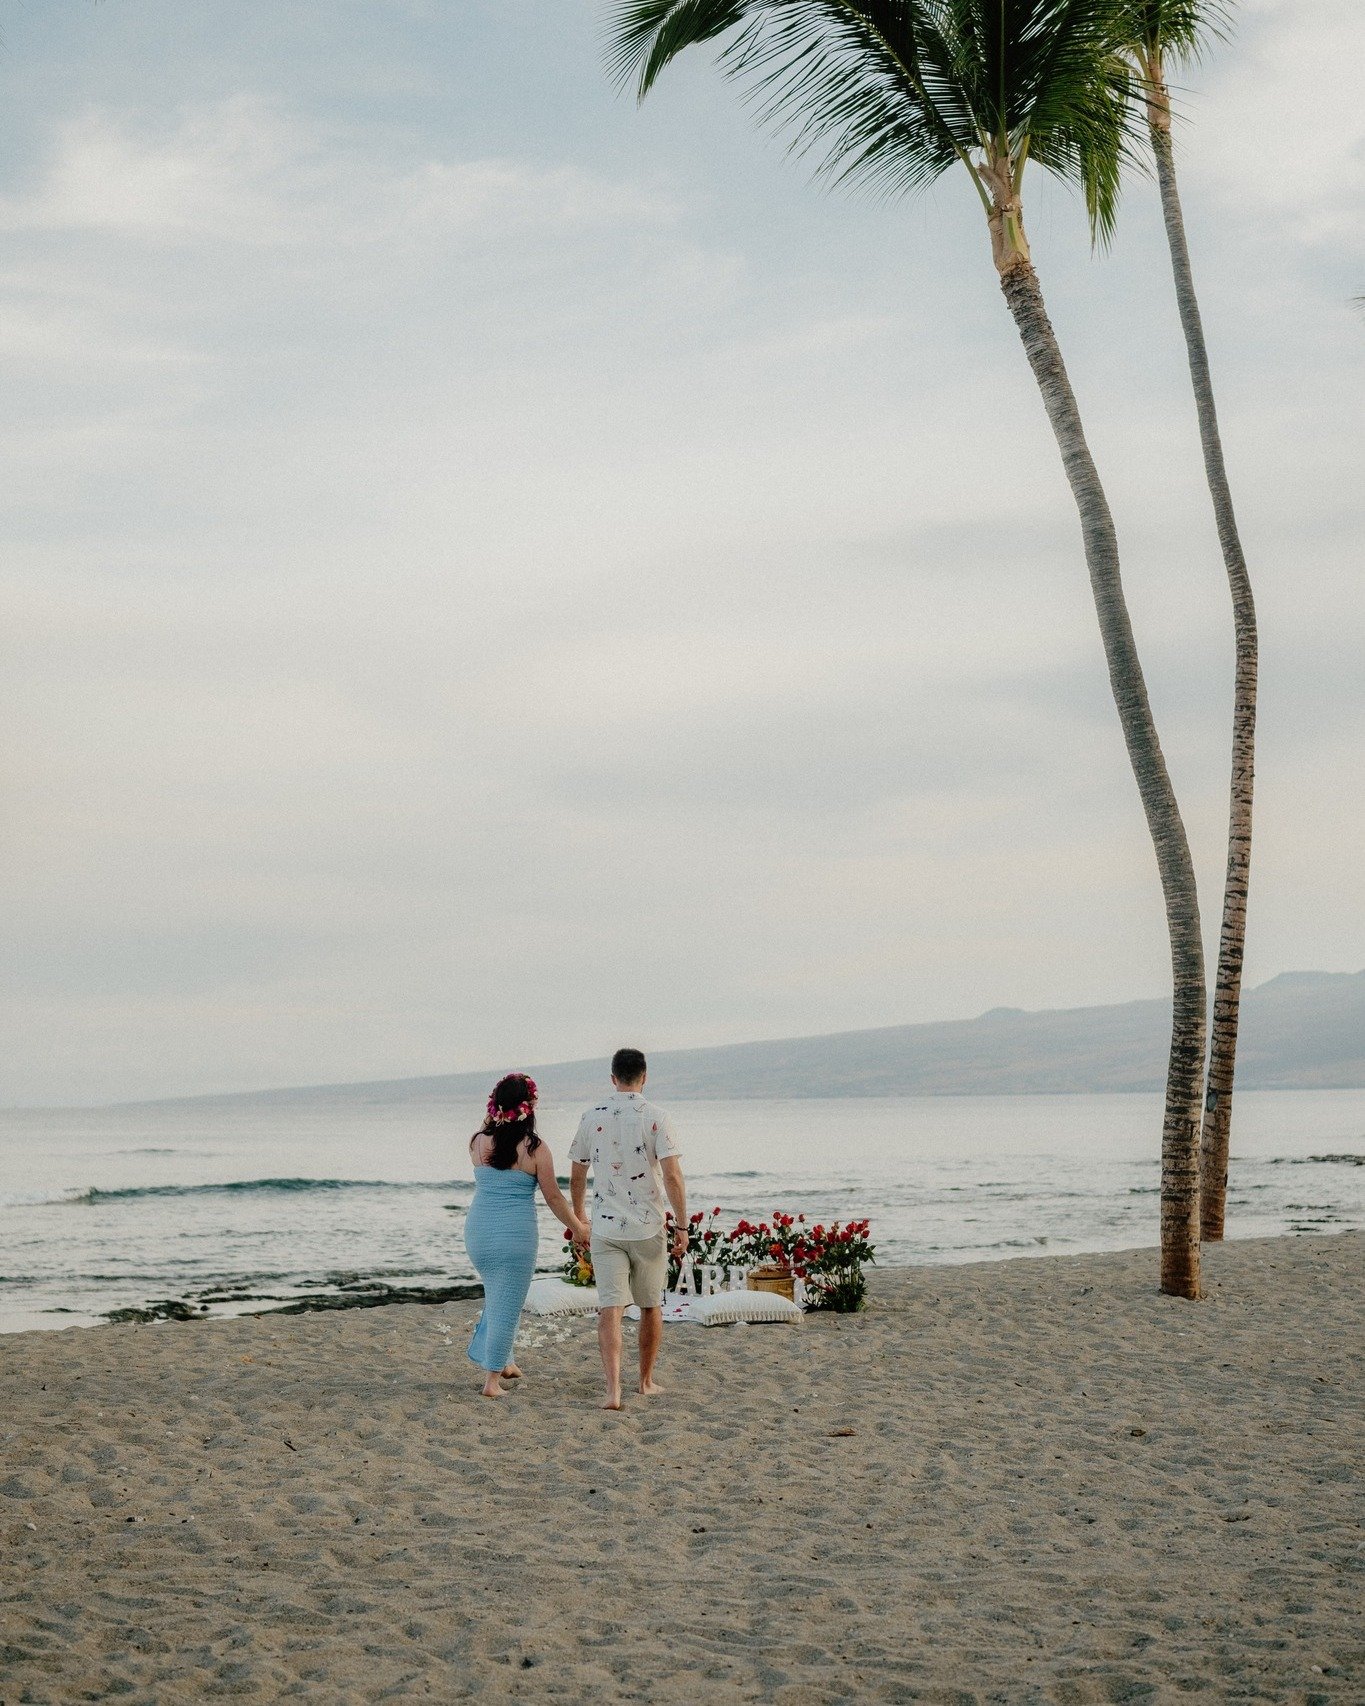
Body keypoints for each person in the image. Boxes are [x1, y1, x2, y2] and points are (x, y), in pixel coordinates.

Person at [569, 1048, 688, 1410]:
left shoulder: (591, 1116)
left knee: (611, 1308)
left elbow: (577, 1173)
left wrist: (579, 1219)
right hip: (648, 1227)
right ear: (645, 1076)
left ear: (612, 1078)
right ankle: (645, 1382)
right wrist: (682, 1226)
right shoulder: (657, 1117)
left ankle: (613, 1391)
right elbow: (672, 1176)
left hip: (605, 1227)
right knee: (651, 1306)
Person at [465, 1072, 589, 1399]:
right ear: (530, 1107)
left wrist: (494, 1116)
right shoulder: (535, 1148)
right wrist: (578, 1227)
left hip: (479, 1232)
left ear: (495, 1106)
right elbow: (554, 1198)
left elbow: (494, 1137)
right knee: (507, 1302)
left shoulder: (477, 1141)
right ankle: (492, 1382)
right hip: (514, 1237)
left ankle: (505, 1362)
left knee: (499, 1295)